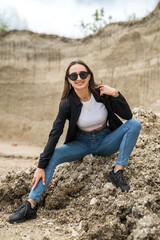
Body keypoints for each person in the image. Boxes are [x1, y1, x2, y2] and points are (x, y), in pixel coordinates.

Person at [9, 60, 141, 223]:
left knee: (134, 124)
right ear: (68, 80)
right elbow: (55, 133)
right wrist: (41, 166)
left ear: (89, 76)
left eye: (82, 74)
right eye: (73, 75)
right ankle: (30, 205)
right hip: (82, 143)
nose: (79, 78)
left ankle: (117, 172)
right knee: (54, 154)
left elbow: (127, 116)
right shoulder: (66, 104)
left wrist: (116, 93)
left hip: (106, 140)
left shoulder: (102, 94)